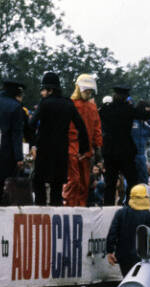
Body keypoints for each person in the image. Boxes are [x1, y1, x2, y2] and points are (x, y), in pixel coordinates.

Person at [28, 71, 89, 206]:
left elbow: (31, 125)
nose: (42, 93)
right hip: (61, 150)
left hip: (44, 149)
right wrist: (83, 148)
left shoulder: (44, 104)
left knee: (38, 181)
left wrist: (32, 143)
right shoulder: (68, 104)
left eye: (43, 89)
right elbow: (81, 127)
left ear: (49, 90)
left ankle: (41, 208)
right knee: (57, 184)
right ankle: (55, 211)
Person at [99, 86, 150, 205]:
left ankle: (107, 207)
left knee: (110, 183)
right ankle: (130, 205)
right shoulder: (128, 109)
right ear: (126, 97)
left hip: (109, 150)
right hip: (126, 151)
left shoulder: (105, 109)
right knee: (132, 180)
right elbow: (146, 115)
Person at [64, 73, 102, 206]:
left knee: (84, 183)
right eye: (87, 89)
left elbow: (97, 129)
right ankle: (68, 207)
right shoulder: (71, 105)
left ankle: (79, 208)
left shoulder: (91, 107)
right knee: (73, 181)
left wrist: (97, 147)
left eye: (90, 90)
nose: (89, 92)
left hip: (84, 151)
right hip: (72, 148)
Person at [106, 184, 150, 276]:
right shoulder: (149, 216)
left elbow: (112, 233)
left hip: (123, 257)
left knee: (127, 281)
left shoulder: (121, 213)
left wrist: (109, 251)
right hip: (142, 258)